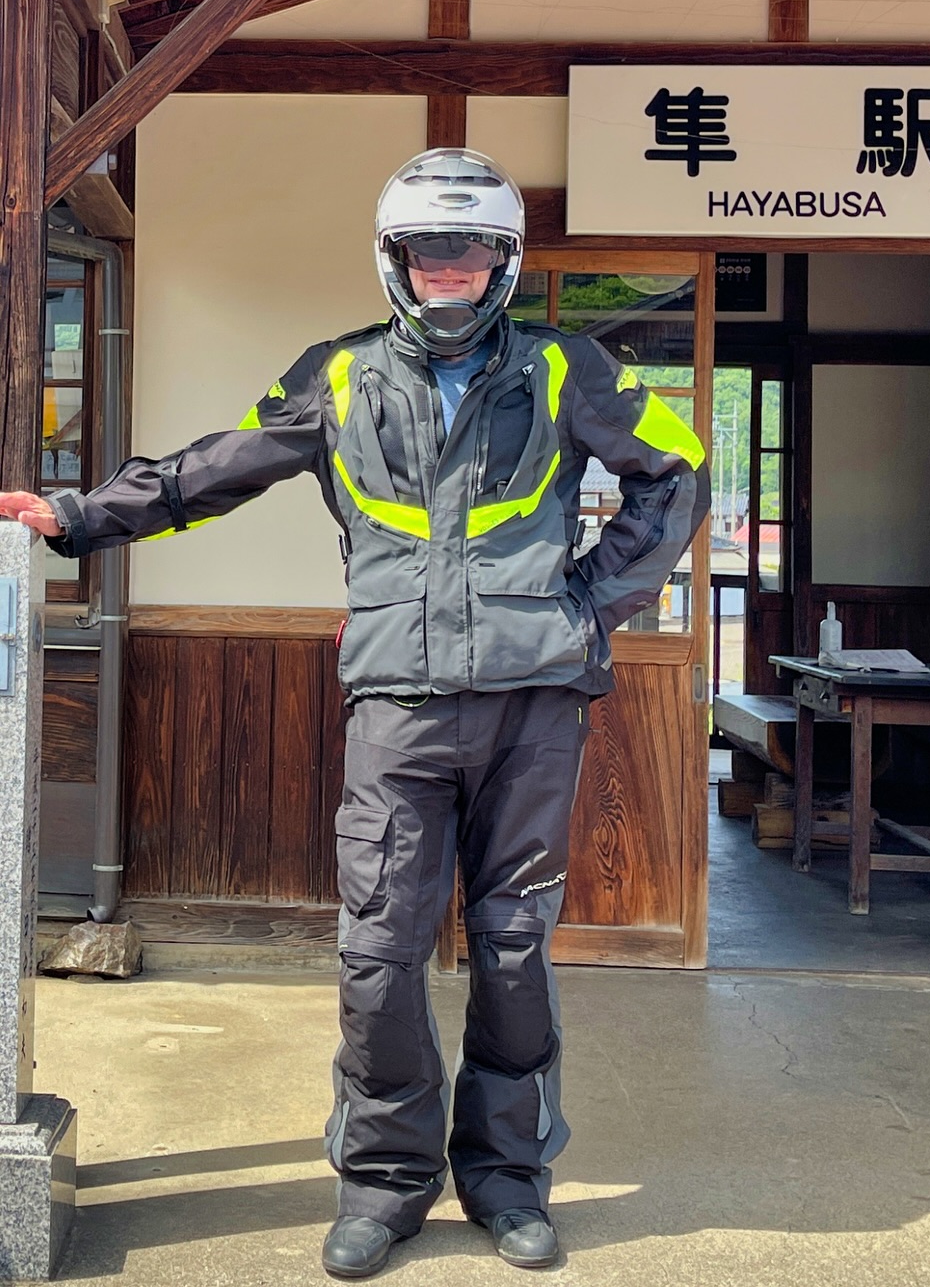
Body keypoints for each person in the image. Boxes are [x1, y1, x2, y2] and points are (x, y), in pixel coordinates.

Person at [0, 148, 710, 1277]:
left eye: (470, 253)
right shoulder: (338, 376)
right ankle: (383, 1182)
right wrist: (80, 515)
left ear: (503, 263)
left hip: (535, 706)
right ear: (394, 260)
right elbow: (215, 468)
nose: (449, 273)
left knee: (515, 951)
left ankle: (508, 1179)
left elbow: (677, 471)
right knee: (378, 955)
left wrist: (587, 602)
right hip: (398, 705)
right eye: (428, 253)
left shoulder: (569, 368)